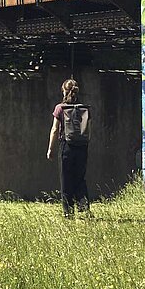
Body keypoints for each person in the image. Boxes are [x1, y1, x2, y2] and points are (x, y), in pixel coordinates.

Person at [47, 78, 90, 218]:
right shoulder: (84, 109)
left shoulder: (60, 108)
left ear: (64, 91)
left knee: (66, 179)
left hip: (66, 146)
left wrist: (50, 148)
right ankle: (84, 207)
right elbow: (89, 129)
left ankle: (68, 211)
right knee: (80, 178)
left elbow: (55, 129)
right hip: (82, 147)